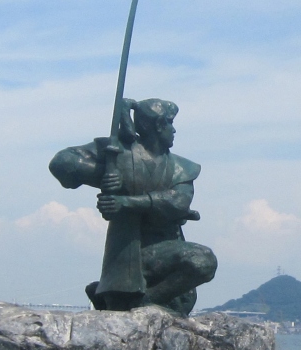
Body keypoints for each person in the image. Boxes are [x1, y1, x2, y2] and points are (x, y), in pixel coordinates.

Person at [49, 98, 216, 315]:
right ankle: (134, 303)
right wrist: (103, 175)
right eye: (170, 123)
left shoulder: (181, 167)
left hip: (164, 249)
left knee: (198, 269)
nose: (174, 130)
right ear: (158, 126)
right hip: (126, 252)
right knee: (202, 261)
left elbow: (177, 201)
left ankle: (141, 302)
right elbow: (62, 162)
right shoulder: (119, 152)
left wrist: (125, 201)